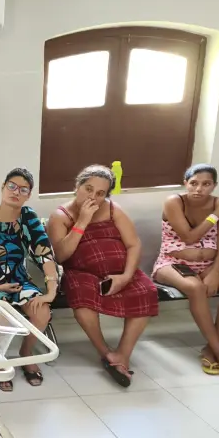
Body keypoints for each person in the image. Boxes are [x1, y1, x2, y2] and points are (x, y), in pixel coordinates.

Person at [47, 165, 159, 387]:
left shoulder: (113, 210)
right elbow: (61, 255)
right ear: (77, 186)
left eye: (100, 193)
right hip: (81, 272)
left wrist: (126, 276)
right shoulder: (60, 216)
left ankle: (122, 355)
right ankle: (105, 352)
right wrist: (82, 222)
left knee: (147, 291)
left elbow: (134, 244)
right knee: (82, 301)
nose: (93, 197)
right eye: (88, 189)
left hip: (121, 271)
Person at [0, 168, 61, 390]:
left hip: (18, 280)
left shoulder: (28, 217)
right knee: (1, 313)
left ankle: (26, 353)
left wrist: (51, 291)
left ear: (28, 195)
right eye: (12, 186)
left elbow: (45, 254)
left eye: (23, 189)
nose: (16, 192)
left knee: (42, 311)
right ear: (3, 187)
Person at [152, 164, 219, 378]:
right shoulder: (174, 202)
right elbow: (189, 237)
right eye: (193, 183)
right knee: (196, 288)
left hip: (209, 264)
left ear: (214, 186)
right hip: (171, 263)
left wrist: (214, 273)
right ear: (185, 183)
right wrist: (216, 214)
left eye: (206, 184)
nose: (199, 189)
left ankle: (210, 349)